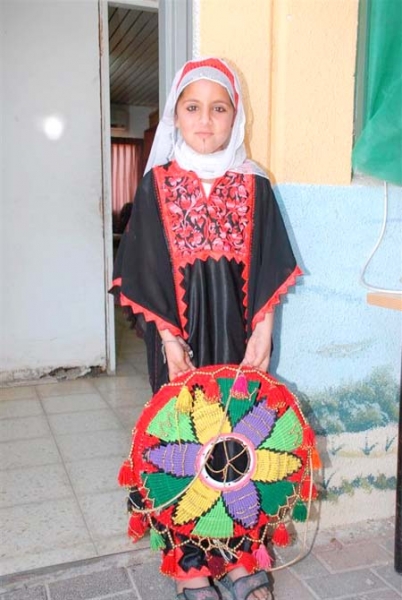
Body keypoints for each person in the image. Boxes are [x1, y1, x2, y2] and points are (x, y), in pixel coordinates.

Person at [112, 57, 302, 600]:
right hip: (180, 342)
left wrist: (263, 331)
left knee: (240, 439)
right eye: (192, 107)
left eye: (219, 108)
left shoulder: (254, 183)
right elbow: (145, 272)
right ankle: (189, 564)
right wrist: (170, 342)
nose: (205, 120)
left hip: (240, 341)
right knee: (182, 442)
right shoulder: (158, 184)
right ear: (175, 114)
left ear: (235, 116)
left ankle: (239, 558)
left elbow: (269, 264)